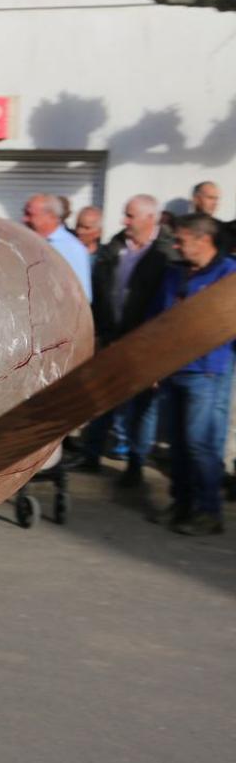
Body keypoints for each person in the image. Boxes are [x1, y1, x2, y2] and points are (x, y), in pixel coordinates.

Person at [150, 214, 236, 535]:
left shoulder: (229, 275)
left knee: (202, 444)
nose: (175, 245)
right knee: (178, 444)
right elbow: (158, 322)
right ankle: (181, 503)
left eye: (181, 240)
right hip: (173, 371)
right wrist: (154, 364)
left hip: (208, 371)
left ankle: (209, 512)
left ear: (203, 239)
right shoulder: (176, 274)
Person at [78, 194, 174, 482]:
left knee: (141, 408)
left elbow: (165, 307)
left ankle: (135, 464)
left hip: (143, 343)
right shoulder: (115, 248)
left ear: (150, 219)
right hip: (112, 338)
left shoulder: (165, 254)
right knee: (101, 400)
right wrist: (99, 332)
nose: (124, 221)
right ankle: (91, 455)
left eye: (130, 216)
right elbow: (100, 294)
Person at [22, 193, 92, 300]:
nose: (24, 219)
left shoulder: (72, 248)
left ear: (51, 216)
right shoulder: (26, 241)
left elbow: (82, 298)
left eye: (30, 214)